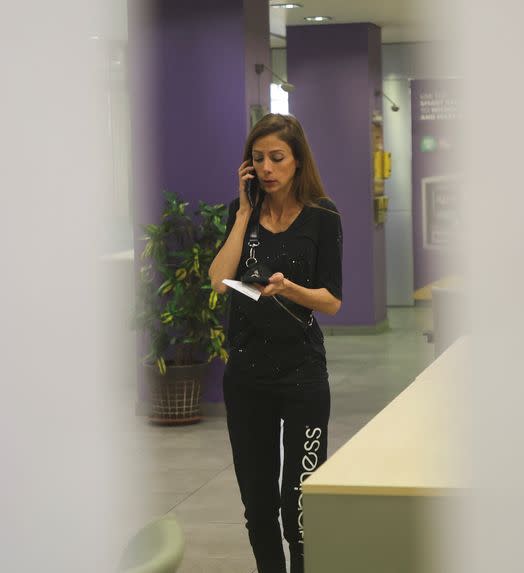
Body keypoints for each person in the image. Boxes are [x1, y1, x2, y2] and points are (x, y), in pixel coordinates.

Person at [208, 113, 343, 573]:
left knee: (299, 506)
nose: (266, 167)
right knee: (258, 505)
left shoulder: (323, 216)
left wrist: (289, 289)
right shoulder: (240, 212)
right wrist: (244, 214)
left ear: (298, 160)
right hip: (246, 378)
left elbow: (332, 301)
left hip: (303, 375)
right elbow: (219, 281)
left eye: (277, 158)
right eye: (258, 158)